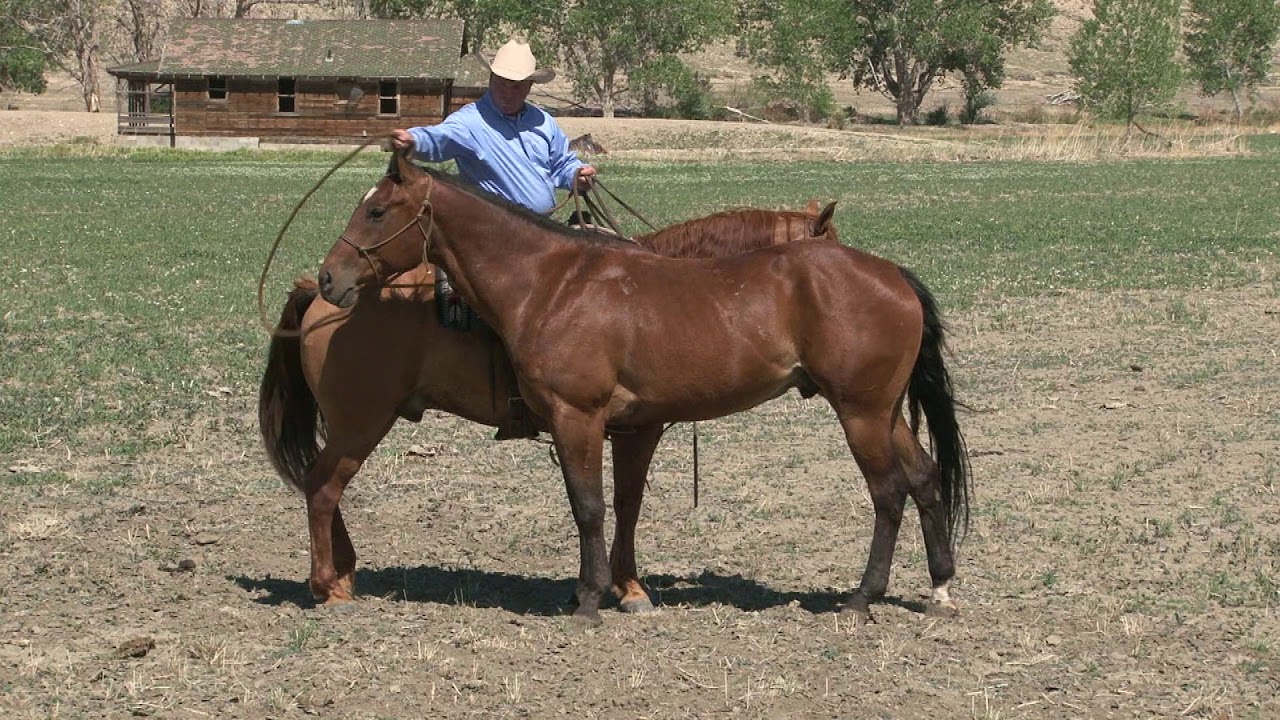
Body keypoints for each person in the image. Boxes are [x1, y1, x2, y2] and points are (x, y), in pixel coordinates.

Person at [389, 39, 595, 441]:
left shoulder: (543, 122)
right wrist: (413, 141)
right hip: (495, 243)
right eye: (502, 83)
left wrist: (576, 174)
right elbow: (439, 139)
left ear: (529, 87)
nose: (508, 91)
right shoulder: (471, 122)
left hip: (542, 235)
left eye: (517, 85)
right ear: (491, 80)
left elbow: (560, 163)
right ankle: (521, 397)